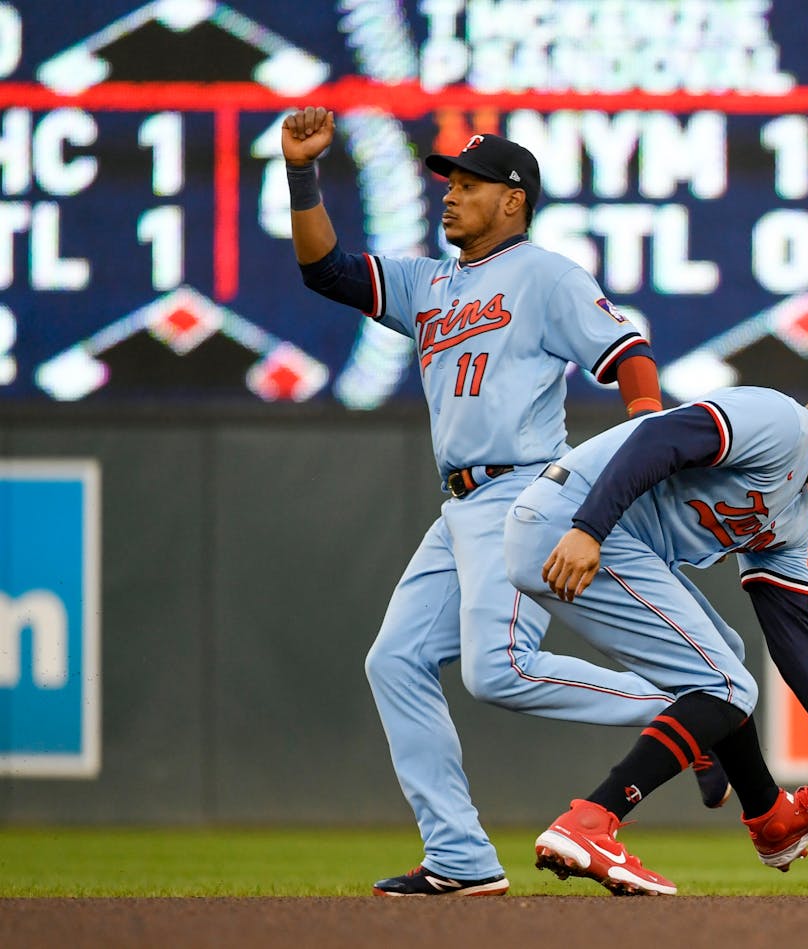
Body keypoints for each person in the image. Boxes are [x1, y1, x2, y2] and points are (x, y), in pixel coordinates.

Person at [280, 108, 729, 897]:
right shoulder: (430, 283)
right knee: (394, 660)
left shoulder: (545, 273)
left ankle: (697, 715)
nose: (449, 195)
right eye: (447, 182)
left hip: (524, 489)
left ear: (514, 198)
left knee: (500, 670)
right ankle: (458, 856)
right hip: (457, 505)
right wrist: (302, 172)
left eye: (468, 183)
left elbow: (627, 353)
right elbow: (326, 270)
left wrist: (646, 428)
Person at [503, 357, 808, 895]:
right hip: (573, 521)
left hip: (613, 539)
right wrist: (588, 529)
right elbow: (656, 438)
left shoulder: (794, 517)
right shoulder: (780, 423)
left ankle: (771, 820)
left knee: (726, 661)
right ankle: (591, 822)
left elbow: (796, 642)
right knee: (725, 685)